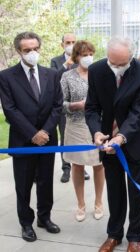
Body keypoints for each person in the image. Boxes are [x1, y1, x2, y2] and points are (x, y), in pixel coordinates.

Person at [85, 37, 140, 252]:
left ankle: (135, 236)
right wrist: (96, 131)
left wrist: (121, 137)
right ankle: (114, 234)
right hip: (107, 140)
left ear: (131, 58)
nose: (115, 68)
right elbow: (92, 107)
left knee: (135, 189)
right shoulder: (97, 70)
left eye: (121, 64)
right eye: (112, 63)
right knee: (114, 189)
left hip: (135, 139)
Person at [0, 31, 63, 242]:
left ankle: (44, 217)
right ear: (19, 51)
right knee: (24, 183)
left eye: (35, 49)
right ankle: (26, 222)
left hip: (47, 139)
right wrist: (32, 134)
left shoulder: (52, 74)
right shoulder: (6, 76)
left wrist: (44, 132)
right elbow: (10, 110)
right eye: (27, 50)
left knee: (46, 182)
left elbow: (57, 106)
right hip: (22, 140)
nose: (32, 53)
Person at [60, 40, 105, 222]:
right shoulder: (67, 77)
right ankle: (80, 204)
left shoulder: (101, 74)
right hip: (76, 125)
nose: (88, 58)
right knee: (77, 165)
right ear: (76, 57)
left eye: (90, 54)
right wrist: (75, 105)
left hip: (98, 125)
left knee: (99, 164)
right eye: (83, 54)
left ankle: (99, 202)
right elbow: (60, 103)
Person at [50, 33, 90, 183]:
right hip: (65, 107)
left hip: (84, 110)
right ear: (62, 44)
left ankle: (81, 167)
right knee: (65, 138)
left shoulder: (82, 58)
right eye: (68, 42)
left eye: (73, 41)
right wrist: (66, 65)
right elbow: (53, 79)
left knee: (82, 140)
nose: (71, 44)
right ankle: (66, 169)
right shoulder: (56, 61)